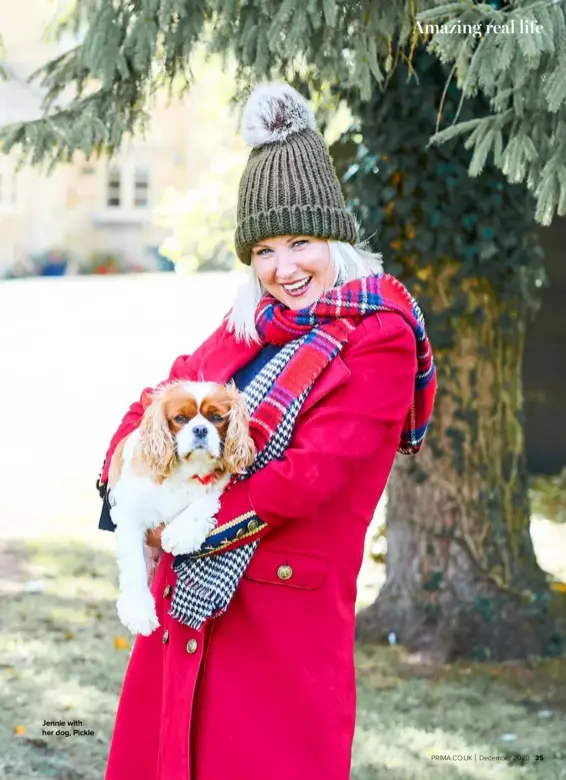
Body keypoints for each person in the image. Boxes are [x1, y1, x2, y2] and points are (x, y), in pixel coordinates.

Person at [97, 82, 437, 780]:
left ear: (334, 237)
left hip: (281, 614)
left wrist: (176, 528)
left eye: (301, 242)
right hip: (189, 601)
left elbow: (310, 477)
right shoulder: (247, 324)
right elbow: (157, 400)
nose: (284, 269)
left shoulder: (381, 337)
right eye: (264, 250)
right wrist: (124, 487)